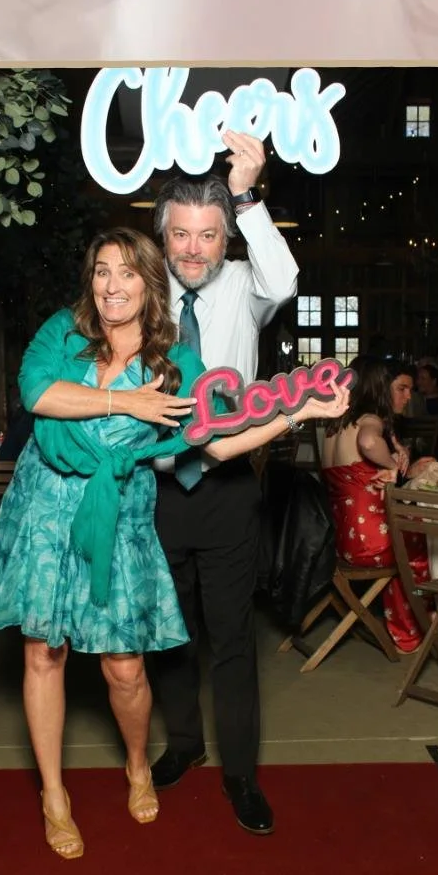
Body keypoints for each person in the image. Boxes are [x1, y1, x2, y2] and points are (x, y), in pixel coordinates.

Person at [0, 227, 345, 860]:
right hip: (46, 508)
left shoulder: (176, 363)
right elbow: (39, 394)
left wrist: (299, 414)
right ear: (89, 280)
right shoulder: (61, 333)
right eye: (101, 272)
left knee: (125, 668)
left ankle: (139, 765)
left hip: (120, 514)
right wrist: (127, 402)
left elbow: (219, 442)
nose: (112, 286)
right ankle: (53, 795)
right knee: (44, 654)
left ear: (150, 283)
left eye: (127, 273)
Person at [142, 131, 301, 836]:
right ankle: (182, 745)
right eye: (182, 234)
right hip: (154, 493)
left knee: (232, 639)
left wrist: (245, 194)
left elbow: (286, 280)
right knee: (170, 634)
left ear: (224, 234)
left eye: (209, 234)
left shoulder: (245, 286)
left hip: (230, 488)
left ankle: (240, 774)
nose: (195, 248)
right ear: (165, 236)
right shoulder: (141, 300)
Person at [319, 357, 438, 652]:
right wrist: (393, 465)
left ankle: (407, 625)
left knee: (407, 532)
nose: (408, 396)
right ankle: (416, 631)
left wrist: (400, 469)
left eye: (410, 389)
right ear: (379, 388)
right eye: (401, 388)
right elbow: (367, 442)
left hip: (342, 542)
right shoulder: (369, 420)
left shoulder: (334, 427)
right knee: (424, 536)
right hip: (370, 544)